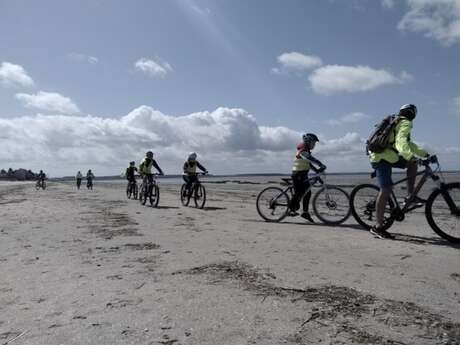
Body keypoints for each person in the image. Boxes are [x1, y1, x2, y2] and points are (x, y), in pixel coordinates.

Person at [369, 104, 429, 239]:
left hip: (388, 156)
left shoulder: (396, 121)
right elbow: (400, 142)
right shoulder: (405, 123)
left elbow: (408, 144)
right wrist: (411, 157)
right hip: (380, 159)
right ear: (413, 114)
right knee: (386, 189)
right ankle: (378, 227)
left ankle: (409, 196)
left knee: (412, 165)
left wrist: (425, 154)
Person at [289, 133, 326, 222]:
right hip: (298, 174)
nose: (314, 145)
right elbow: (308, 158)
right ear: (308, 141)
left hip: (302, 175)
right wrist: (320, 163)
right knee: (299, 193)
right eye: (313, 143)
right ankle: (291, 209)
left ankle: (305, 213)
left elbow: (308, 164)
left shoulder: (306, 150)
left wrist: (317, 171)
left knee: (307, 193)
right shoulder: (302, 150)